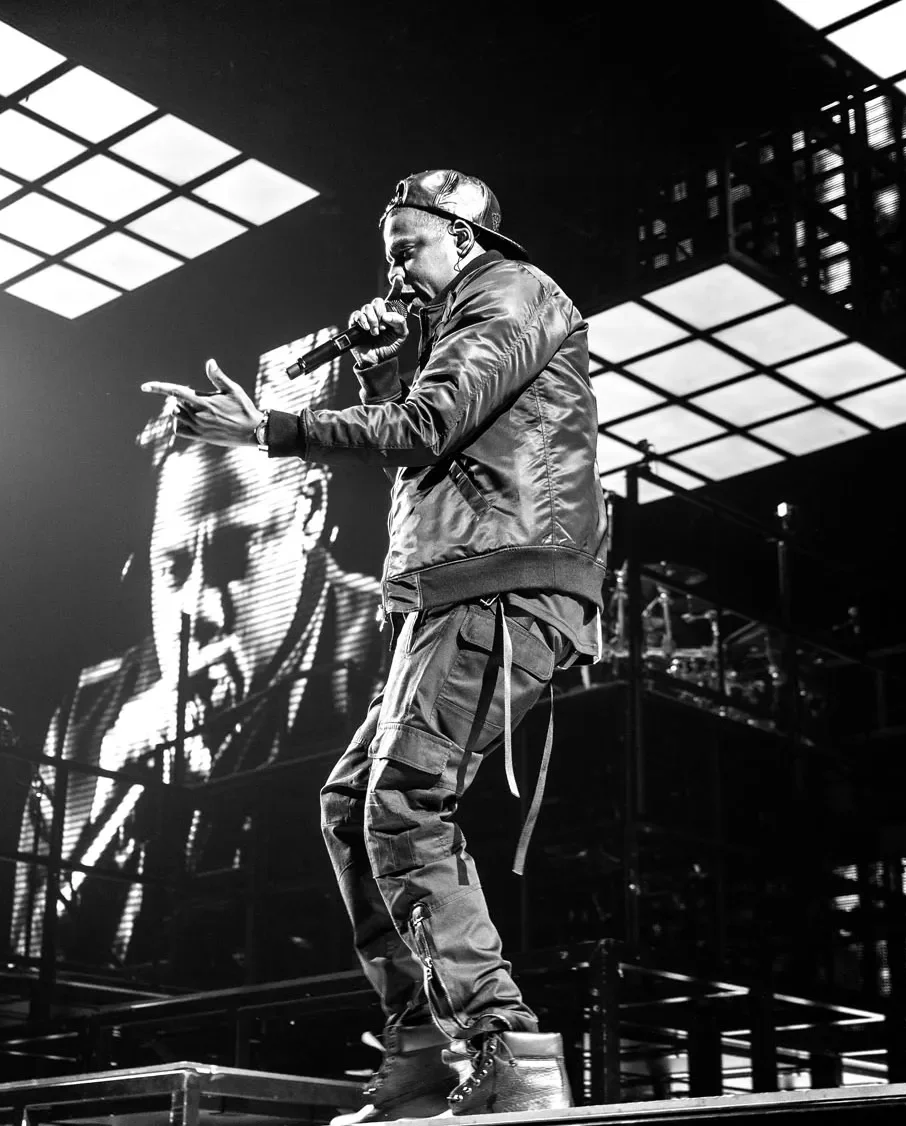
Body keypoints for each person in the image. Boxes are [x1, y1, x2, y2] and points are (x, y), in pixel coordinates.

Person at [144, 169, 608, 1116]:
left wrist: (264, 428)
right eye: (387, 254)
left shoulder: (514, 294)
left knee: (402, 799)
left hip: (504, 576)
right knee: (351, 800)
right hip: (447, 585)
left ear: (465, 238)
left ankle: (507, 1051)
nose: (395, 270)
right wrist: (382, 360)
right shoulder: (450, 320)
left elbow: (430, 422)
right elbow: (414, 437)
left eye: (409, 249)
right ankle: (421, 1051)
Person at [12, 343, 384, 973]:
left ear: (311, 511)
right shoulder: (88, 715)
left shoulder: (385, 646)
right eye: (175, 567)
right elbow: (30, 951)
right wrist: (117, 793)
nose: (200, 604)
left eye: (238, 549)